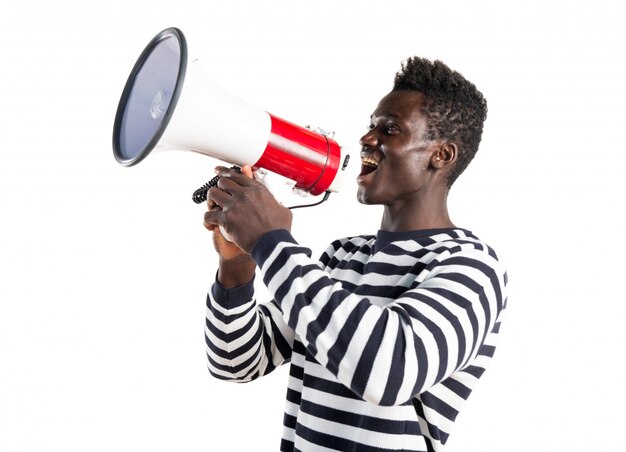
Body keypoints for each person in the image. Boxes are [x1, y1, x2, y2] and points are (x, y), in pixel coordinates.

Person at [203, 56, 508, 452]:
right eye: (371, 125)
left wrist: (270, 241)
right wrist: (238, 265)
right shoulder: (340, 257)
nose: (367, 138)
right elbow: (235, 362)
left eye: (391, 129)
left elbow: (388, 372)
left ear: (442, 155)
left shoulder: (471, 267)